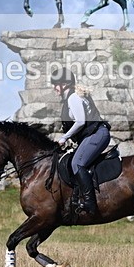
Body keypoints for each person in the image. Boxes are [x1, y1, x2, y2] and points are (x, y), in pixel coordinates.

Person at [50, 67, 110, 216]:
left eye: (56, 84)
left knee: (77, 163)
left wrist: (64, 138)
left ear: (64, 84)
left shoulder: (73, 98)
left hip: (97, 134)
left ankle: (90, 203)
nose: (54, 88)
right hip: (93, 135)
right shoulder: (71, 98)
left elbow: (80, 122)